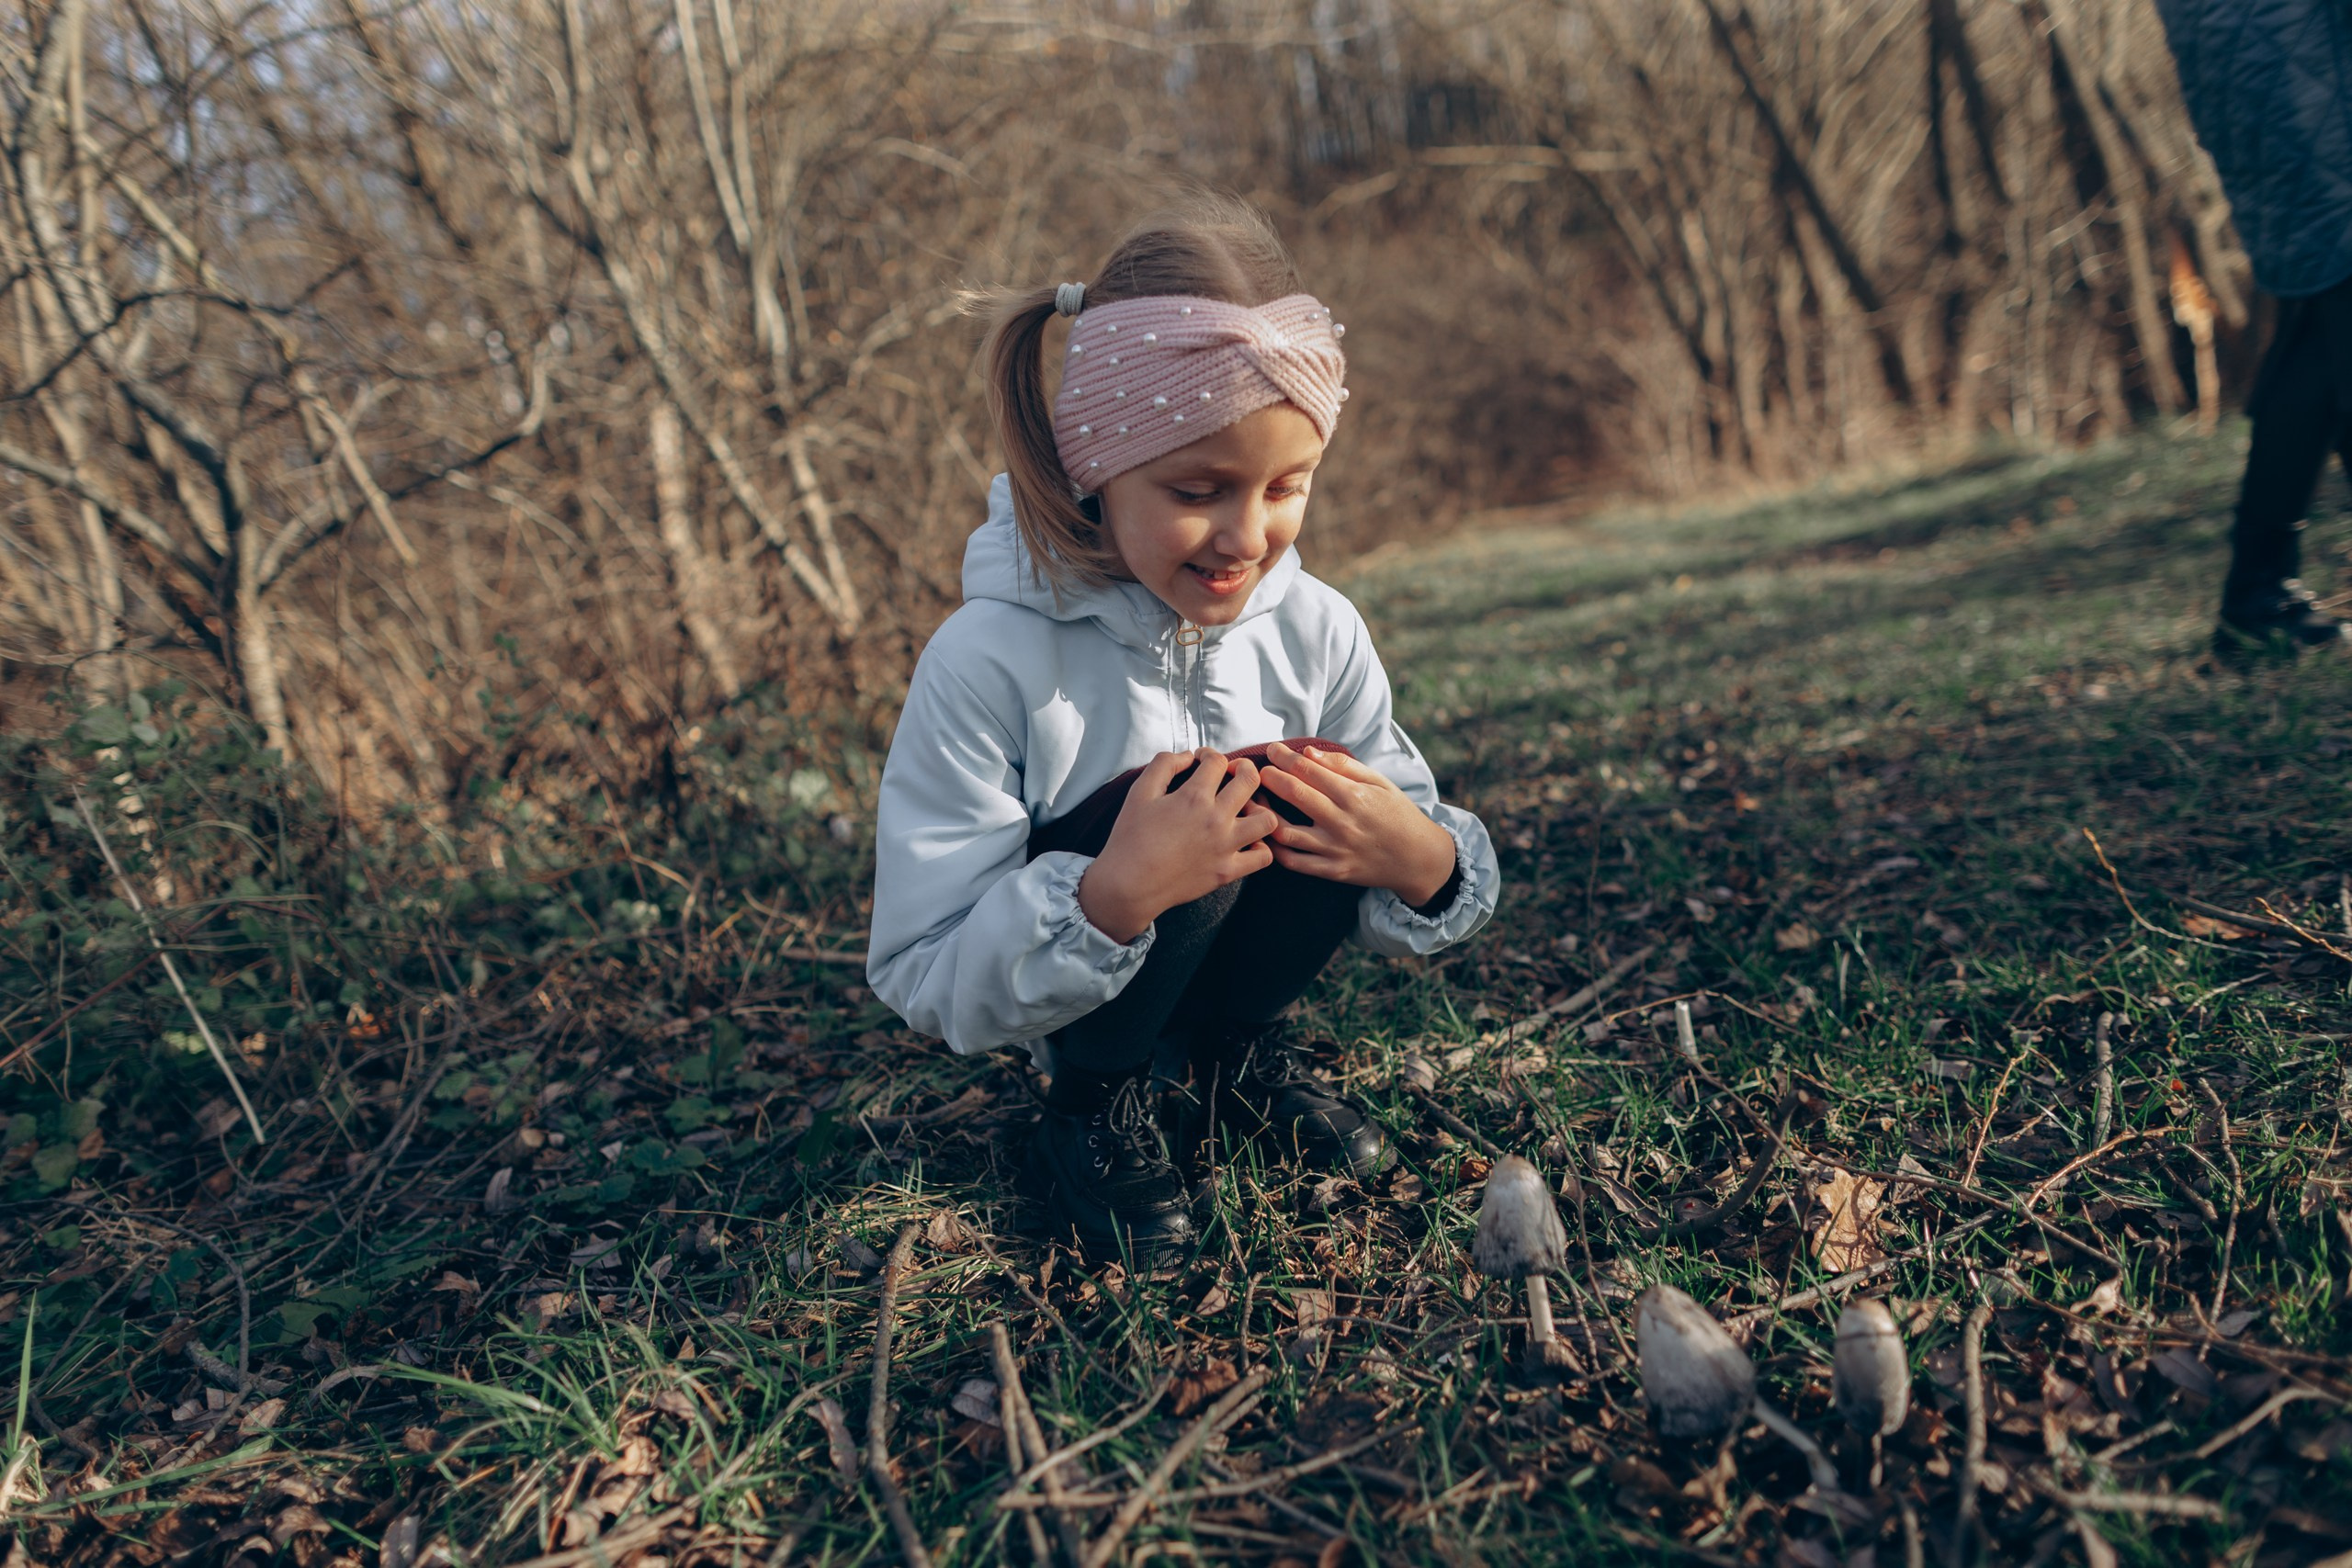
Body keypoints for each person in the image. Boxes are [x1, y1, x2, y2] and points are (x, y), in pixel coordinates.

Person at [865, 196, 1499, 1259]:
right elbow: (925, 971)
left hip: (1239, 963)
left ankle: (1233, 1057)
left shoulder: (1316, 628)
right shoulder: (986, 661)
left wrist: (1424, 859)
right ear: (1092, 465)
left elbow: (1402, 826)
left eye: (1287, 485)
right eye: (1198, 489)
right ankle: (1093, 1103)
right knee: (1189, 804)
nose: (1246, 534)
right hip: (1070, 1007)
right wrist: (1111, 896)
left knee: (1311, 779)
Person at [2154, 0, 2352, 659]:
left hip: (2264, 93)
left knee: (2319, 338)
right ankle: (2257, 594)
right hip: (2313, 91)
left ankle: (2257, 594)